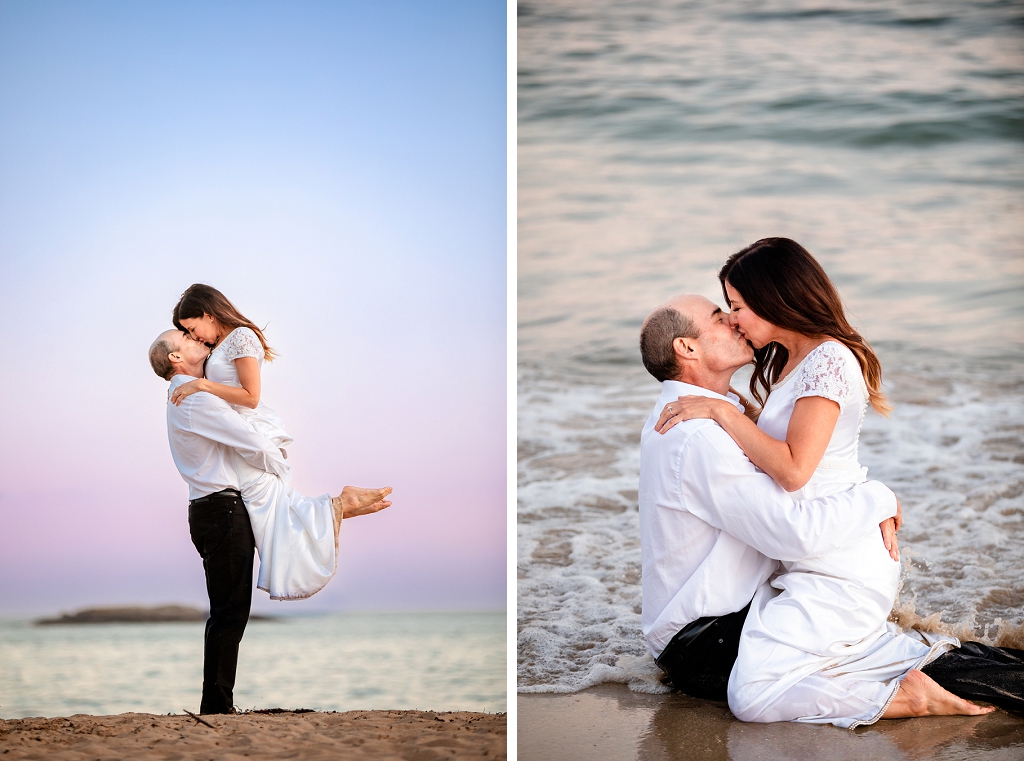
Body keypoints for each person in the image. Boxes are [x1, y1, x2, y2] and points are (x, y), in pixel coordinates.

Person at [638, 292, 1023, 728]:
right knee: (881, 658)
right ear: (686, 348)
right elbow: (792, 534)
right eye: (718, 317)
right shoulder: (699, 436)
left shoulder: (698, 418)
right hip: (707, 643)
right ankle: (905, 697)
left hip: (715, 627)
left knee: (884, 645)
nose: (734, 321)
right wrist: (877, 497)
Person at [148, 328, 391, 714]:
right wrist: (280, 464)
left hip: (212, 510)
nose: (197, 339)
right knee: (229, 613)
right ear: (176, 358)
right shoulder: (195, 398)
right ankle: (216, 706)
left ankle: (217, 702)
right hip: (222, 510)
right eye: (187, 338)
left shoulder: (186, 395)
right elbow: (253, 442)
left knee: (226, 611)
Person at [167, 283, 390, 600]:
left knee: (267, 508)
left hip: (249, 429)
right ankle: (339, 507)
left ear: (207, 313)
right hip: (235, 435)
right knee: (269, 511)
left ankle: (338, 506)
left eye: (193, 327)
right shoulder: (219, 346)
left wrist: (201, 385)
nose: (196, 337)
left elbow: (251, 397)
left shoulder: (242, 337)